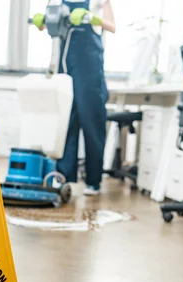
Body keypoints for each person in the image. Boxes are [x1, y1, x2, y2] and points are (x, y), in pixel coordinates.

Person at [38, 0, 116, 196]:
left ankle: (93, 180)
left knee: (91, 121)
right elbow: (49, 26)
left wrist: (91, 17)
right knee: (66, 122)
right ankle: (63, 177)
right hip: (65, 65)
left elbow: (112, 26)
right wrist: (42, 21)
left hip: (89, 65)